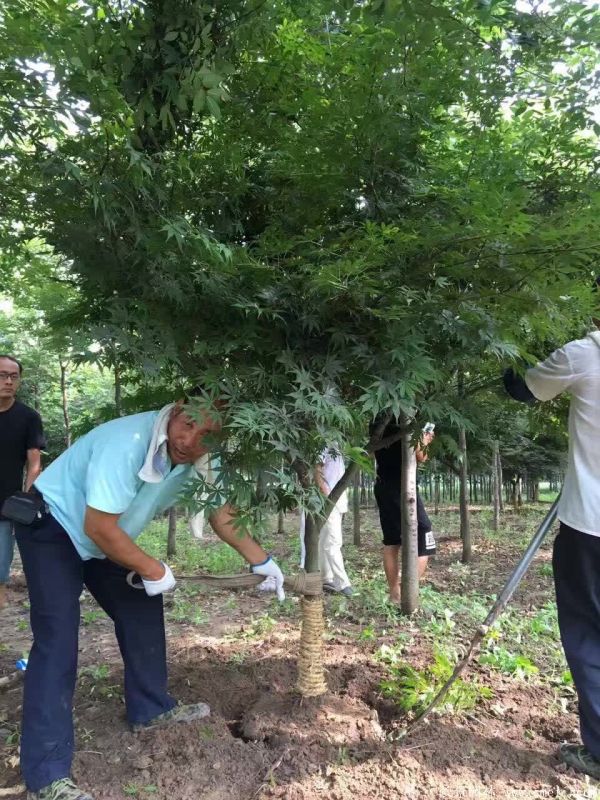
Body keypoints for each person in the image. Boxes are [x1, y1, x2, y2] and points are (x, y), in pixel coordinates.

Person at [10, 397, 285, 800]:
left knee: (140, 605)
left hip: (104, 538)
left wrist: (263, 561)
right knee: (58, 639)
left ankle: (151, 710)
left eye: (207, 435)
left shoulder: (207, 460)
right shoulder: (129, 441)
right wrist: (153, 568)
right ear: (175, 411)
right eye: (187, 424)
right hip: (54, 527)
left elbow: (222, 513)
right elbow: (98, 526)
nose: (189, 441)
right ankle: (46, 776)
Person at [503, 324, 600, 779]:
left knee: (586, 636)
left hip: (590, 527)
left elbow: (526, 390)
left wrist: (506, 357)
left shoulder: (584, 354)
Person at [371, 418, 436, 605]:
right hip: (403, 487)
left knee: (391, 541)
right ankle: (407, 588)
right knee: (425, 537)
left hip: (383, 485)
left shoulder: (377, 421)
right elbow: (421, 456)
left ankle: (394, 593)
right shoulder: (409, 420)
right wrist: (426, 440)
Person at [0, 355, 45, 609]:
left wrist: (25, 503)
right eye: (2, 375)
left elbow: (34, 464)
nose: (8, 381)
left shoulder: (28, 417)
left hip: (5, 509)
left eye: (13, 376)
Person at [299, 447, 352, 596]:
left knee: (324, 540)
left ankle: (325, 578)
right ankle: (343, 583)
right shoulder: (322, 439)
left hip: (335, 500)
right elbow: (317, 468)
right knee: (333, 542)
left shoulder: (337, 442)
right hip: (327, 500)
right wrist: (327, 495)